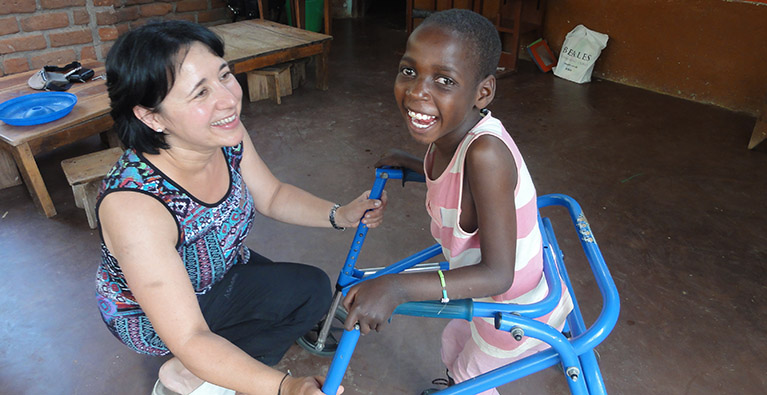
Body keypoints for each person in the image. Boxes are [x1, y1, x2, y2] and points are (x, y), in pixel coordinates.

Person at [95, 20, 386, 395]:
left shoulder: (222, 136)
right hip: (156, 316)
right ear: (151, 116)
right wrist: (286, 388)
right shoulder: (135, 206)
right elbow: (190, 334)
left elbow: (273, 195)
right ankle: (185, 373)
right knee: (229, 334)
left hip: (221, 270)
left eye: (224, 75)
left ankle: (219, 361)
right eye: (200, 93)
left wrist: (340, 214)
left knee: (312, 292)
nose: (229, 99)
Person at [341, 9, 573, 395]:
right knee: (453, 343)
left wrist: (396, 288)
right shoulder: (449, 133)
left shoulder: (486, 156)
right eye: (409, 71)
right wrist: (417, 165)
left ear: (482, 92)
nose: (417, 91)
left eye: (444, 80)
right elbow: (454, 180)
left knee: (468, 379)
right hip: (487, 295)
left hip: (514, 309)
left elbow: (499, 274)